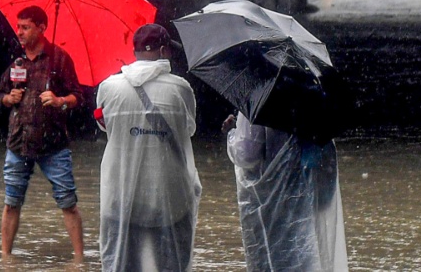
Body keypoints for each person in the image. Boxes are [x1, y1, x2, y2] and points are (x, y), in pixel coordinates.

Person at [95, 24, 201, 272]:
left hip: (122, 197)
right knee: (172, 265)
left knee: (122, 265)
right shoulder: (181, 89)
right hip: (168, 197)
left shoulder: (108, 87)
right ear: (164, 50)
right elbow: (188, 129)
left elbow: (105, 127)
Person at [0, 5, 85, 262]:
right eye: (18, 26)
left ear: (42, 28)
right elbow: (0, 95)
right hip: (18, 141)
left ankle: (79, 260)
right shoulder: (16, 60)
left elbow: (78, 97)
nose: (20, 32)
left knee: (67, 201)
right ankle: (5, 259)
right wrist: (8, 99)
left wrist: (59, 101)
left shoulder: (59, 58)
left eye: (25, 27)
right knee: (11, 201)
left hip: (54, 145)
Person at [223, 112, 348, 272]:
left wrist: (232, 133)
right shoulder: (311, 98)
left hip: (270, 202)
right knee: (302, 255)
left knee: (271, 257)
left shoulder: (261, 101)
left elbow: (247, 154)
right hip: (303, 197)